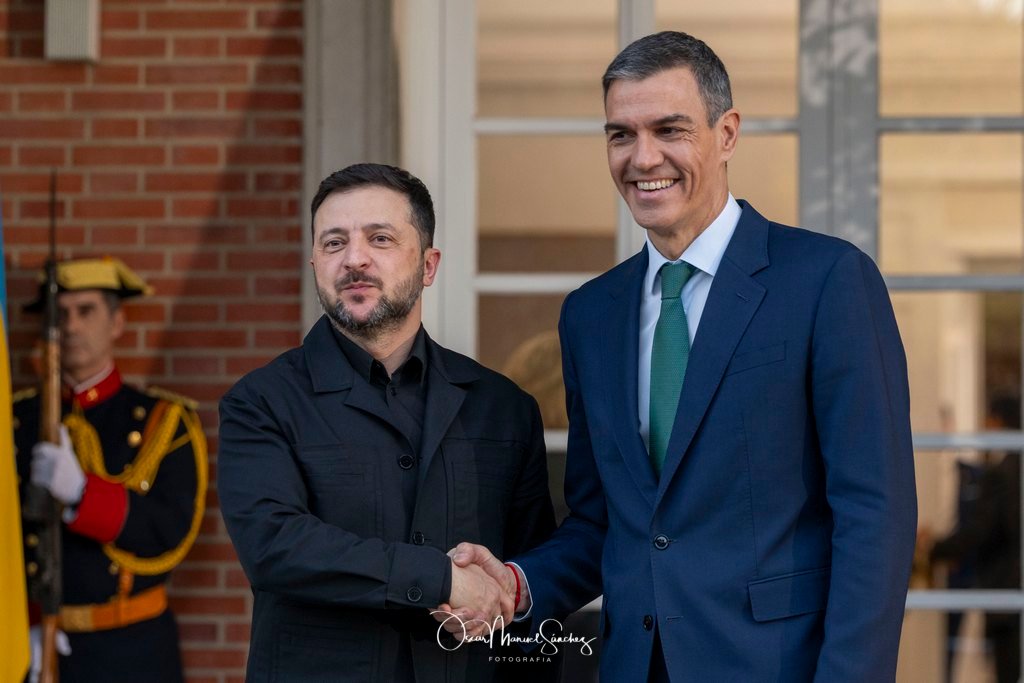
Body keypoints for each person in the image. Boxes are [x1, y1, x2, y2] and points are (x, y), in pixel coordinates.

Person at [448, 31, 917, 681]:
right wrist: (518, 583)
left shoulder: (827, 281)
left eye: (669, 129)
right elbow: (603, 521)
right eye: (621, 135)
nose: (643, 158)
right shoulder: (590, 314)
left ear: (726, 134)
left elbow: (874, 515)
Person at [217, 163, 557, 682]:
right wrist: (440, 578)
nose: (354, 259)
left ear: (428, 265)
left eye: (380, 238)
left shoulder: (503, 407)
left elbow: (531, 583)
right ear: (314, 263)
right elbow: (274, 545)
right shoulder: (261, 402)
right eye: (334, 243)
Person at [14, 257, 208, 682]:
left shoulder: (163, 421)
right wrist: (19, 621)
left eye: (86, 311)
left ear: (117, 322)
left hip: (131, 651)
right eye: (60, 314)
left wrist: (83, 495)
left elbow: (169, 531)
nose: (71, 326)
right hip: (30, 646)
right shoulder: (14, 420)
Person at [930, 394, 1021, 683]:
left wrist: (932, 549)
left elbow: (978, 530)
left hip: (1005, 589)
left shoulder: (1002, 473)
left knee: (1007, 668)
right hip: (1006, 589)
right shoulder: (1008, 469)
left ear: (997, 420)